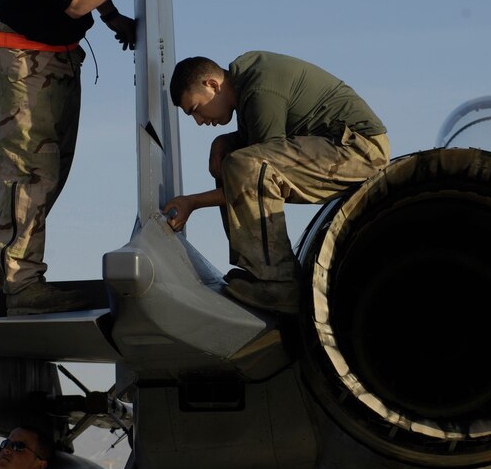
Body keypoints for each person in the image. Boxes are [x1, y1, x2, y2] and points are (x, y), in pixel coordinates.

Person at [163, 51, 390, 313]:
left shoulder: (259, 89)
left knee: (242, 165)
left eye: (196, 109)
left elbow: (254, 175)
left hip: (360, 150)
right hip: (336, 145)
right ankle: (259, 271)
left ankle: (279, 283)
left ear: (212, 85)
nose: (200, 121)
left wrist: (191, 203)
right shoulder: (248, 85)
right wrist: (223, 141)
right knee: (232, 160)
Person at [0, 0, 136, 316]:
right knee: (31, 172)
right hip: (25, 56)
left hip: (60, 55)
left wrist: (111, 15)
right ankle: (22, 284)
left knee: (52, 171)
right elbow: (76, 3)